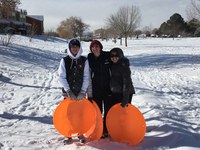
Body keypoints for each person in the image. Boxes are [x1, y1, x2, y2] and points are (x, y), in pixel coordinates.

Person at [58, 38, 90, 144]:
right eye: (73, 46)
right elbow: (61, 77)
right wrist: (68, 91)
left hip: (80, 92)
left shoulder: (84, 60)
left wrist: (83, 91)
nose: (75, 48)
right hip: (68, 93)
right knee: (68, 114)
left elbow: (86, 76)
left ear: (79, 48)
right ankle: (68, 134)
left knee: (80, 114)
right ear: (69, 47)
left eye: (77, 46)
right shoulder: (65, 60)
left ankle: (80, 133)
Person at [87, 40, 111, 138]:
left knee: (108, 110)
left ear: (100, 47)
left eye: (97, 46)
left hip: (108, 88)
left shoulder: (107, 56)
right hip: (96, 88)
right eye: (93, 47)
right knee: (97, 110)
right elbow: (87, 75)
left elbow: (117, 59)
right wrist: (89, 92)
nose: (95, 48)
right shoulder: (89, 58)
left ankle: (106, 128)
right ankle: (98, 128)